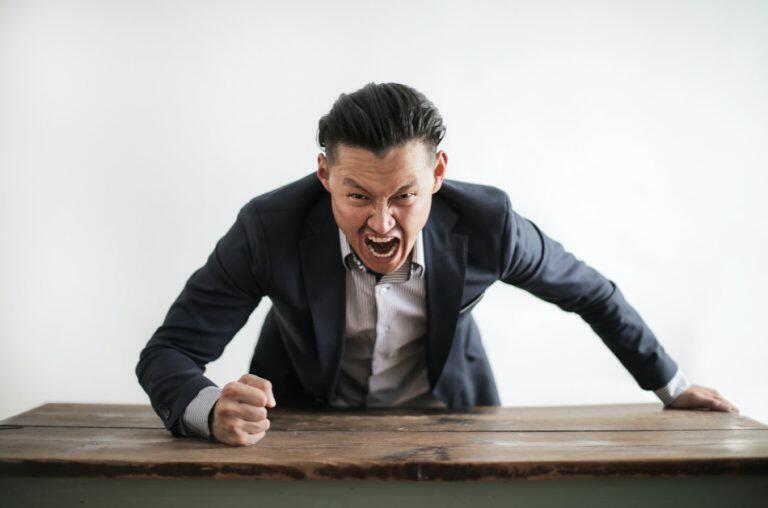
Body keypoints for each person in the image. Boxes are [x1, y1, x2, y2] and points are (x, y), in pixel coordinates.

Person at [136, 82, 739, 447]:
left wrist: (672, 385)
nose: (380, 224)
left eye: (404, 195)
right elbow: (167, 354)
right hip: (301, 425)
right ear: (324, 176)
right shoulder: (268, 229)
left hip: (452, 423)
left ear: (438, 176)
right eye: (356, 196)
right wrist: (209, 409)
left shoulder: (489, 226)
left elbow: (592, 293)